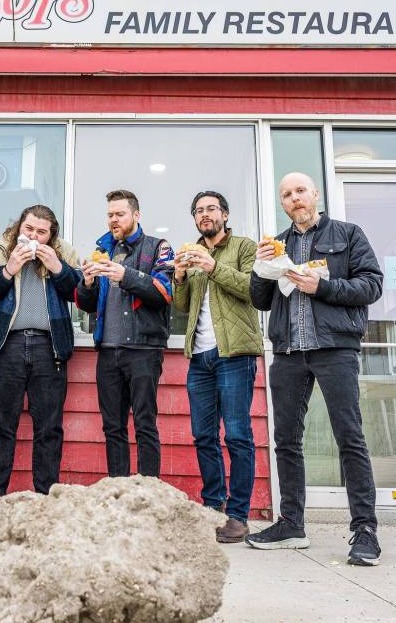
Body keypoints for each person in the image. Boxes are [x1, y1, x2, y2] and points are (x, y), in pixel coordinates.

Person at [247, 171, 384, 567]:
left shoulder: (348, 234)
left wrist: (320, 287)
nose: (294, 199)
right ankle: (291, 523)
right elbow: (260, 301)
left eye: (300, 191)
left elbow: (371, 286)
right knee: (286, 441)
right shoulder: (278, 244)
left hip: (335, 348)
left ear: (315, 194)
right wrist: (260, 267)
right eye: (287, 194)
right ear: (283, 203)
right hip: (289, 352)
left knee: (349, 436)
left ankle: (365, 529)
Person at [0, 205, 82, 502]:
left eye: (41, 232)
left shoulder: (64, 253)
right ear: (20, 225)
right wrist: (8, 269)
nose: (33, 236)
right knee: (0, 425)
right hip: (6, 345)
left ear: (51, 235)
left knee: (49, 428)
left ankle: (46, 497)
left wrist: (59, 269)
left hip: (50, 348)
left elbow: (84, 295)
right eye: (29, 229)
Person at [173, 191, 262, 544]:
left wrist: (212, 266)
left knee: (238, 435)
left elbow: (255, 290)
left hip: (234, 355)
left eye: (211, 209)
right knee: (204, 436)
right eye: (199, 211)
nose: (205, 215)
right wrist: (180, 276)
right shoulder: (192, 253)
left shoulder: (243, 247)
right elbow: (182, 308)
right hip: (200, 357)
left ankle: (238, 515)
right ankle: (213, 508)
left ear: (224, 213)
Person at [76, 189, 174, 478]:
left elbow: (164, 293)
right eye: (110, 215)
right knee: (113, 427)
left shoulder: (159, 247)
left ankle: (148, 492)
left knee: (145, 423)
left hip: (143, 349)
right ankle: (118, 491)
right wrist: (88, 283)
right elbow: (86, 305)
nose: (114, 220)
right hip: (107, 350)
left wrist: (126, 275)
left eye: (120, 214)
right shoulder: (102, 248)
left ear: (136, 215)